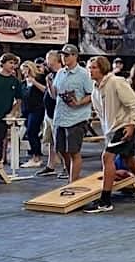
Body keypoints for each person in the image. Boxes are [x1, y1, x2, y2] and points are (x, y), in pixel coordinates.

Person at [82, 56, 135, 213]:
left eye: (94, 68)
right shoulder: (95, 89)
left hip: (124, 126)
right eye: (89, 68)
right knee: (130, 160)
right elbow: (102, 114)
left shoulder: (116, 82)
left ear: (103, 68)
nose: (90, 71)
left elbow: (134, 104)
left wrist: (132, 124)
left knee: (107, 158)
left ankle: (105, 201)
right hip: (113, 128)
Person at [50, 44, 94, 182]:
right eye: (62, 55)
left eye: (67, 55)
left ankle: (72, 181)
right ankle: (71, 175)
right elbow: (54, 95)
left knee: (74, 151)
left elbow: (92, 94)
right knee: (62, 150)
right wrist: (49, 85)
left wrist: (79, 103)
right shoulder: (60, 73)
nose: (63, 58)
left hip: (77, 118)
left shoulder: (84, 74)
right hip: (61, 117)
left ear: (75, 56)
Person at [20, 61, 46, 170]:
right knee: (29, 133)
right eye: (23, 70)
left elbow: (45, 90)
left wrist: (34, 82)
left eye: (26, 69)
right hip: (26, 110)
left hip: (37, 109)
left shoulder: (40, 78)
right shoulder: (23, 83)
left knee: (32, 131)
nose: (24, 72)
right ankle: (34, 155)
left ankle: (37, 157)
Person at [40, 50, 62, 177]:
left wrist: (49, 84)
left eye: (49, 58)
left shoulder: (61, 74)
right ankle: (50, 165)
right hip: (48, 112)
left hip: (57, 112)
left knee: (59, 142)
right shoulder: (51, 75)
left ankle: (66, 167)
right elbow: (51, 94)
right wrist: (48, 83)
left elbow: (56, 96)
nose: (46, 61)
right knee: (50, 141)